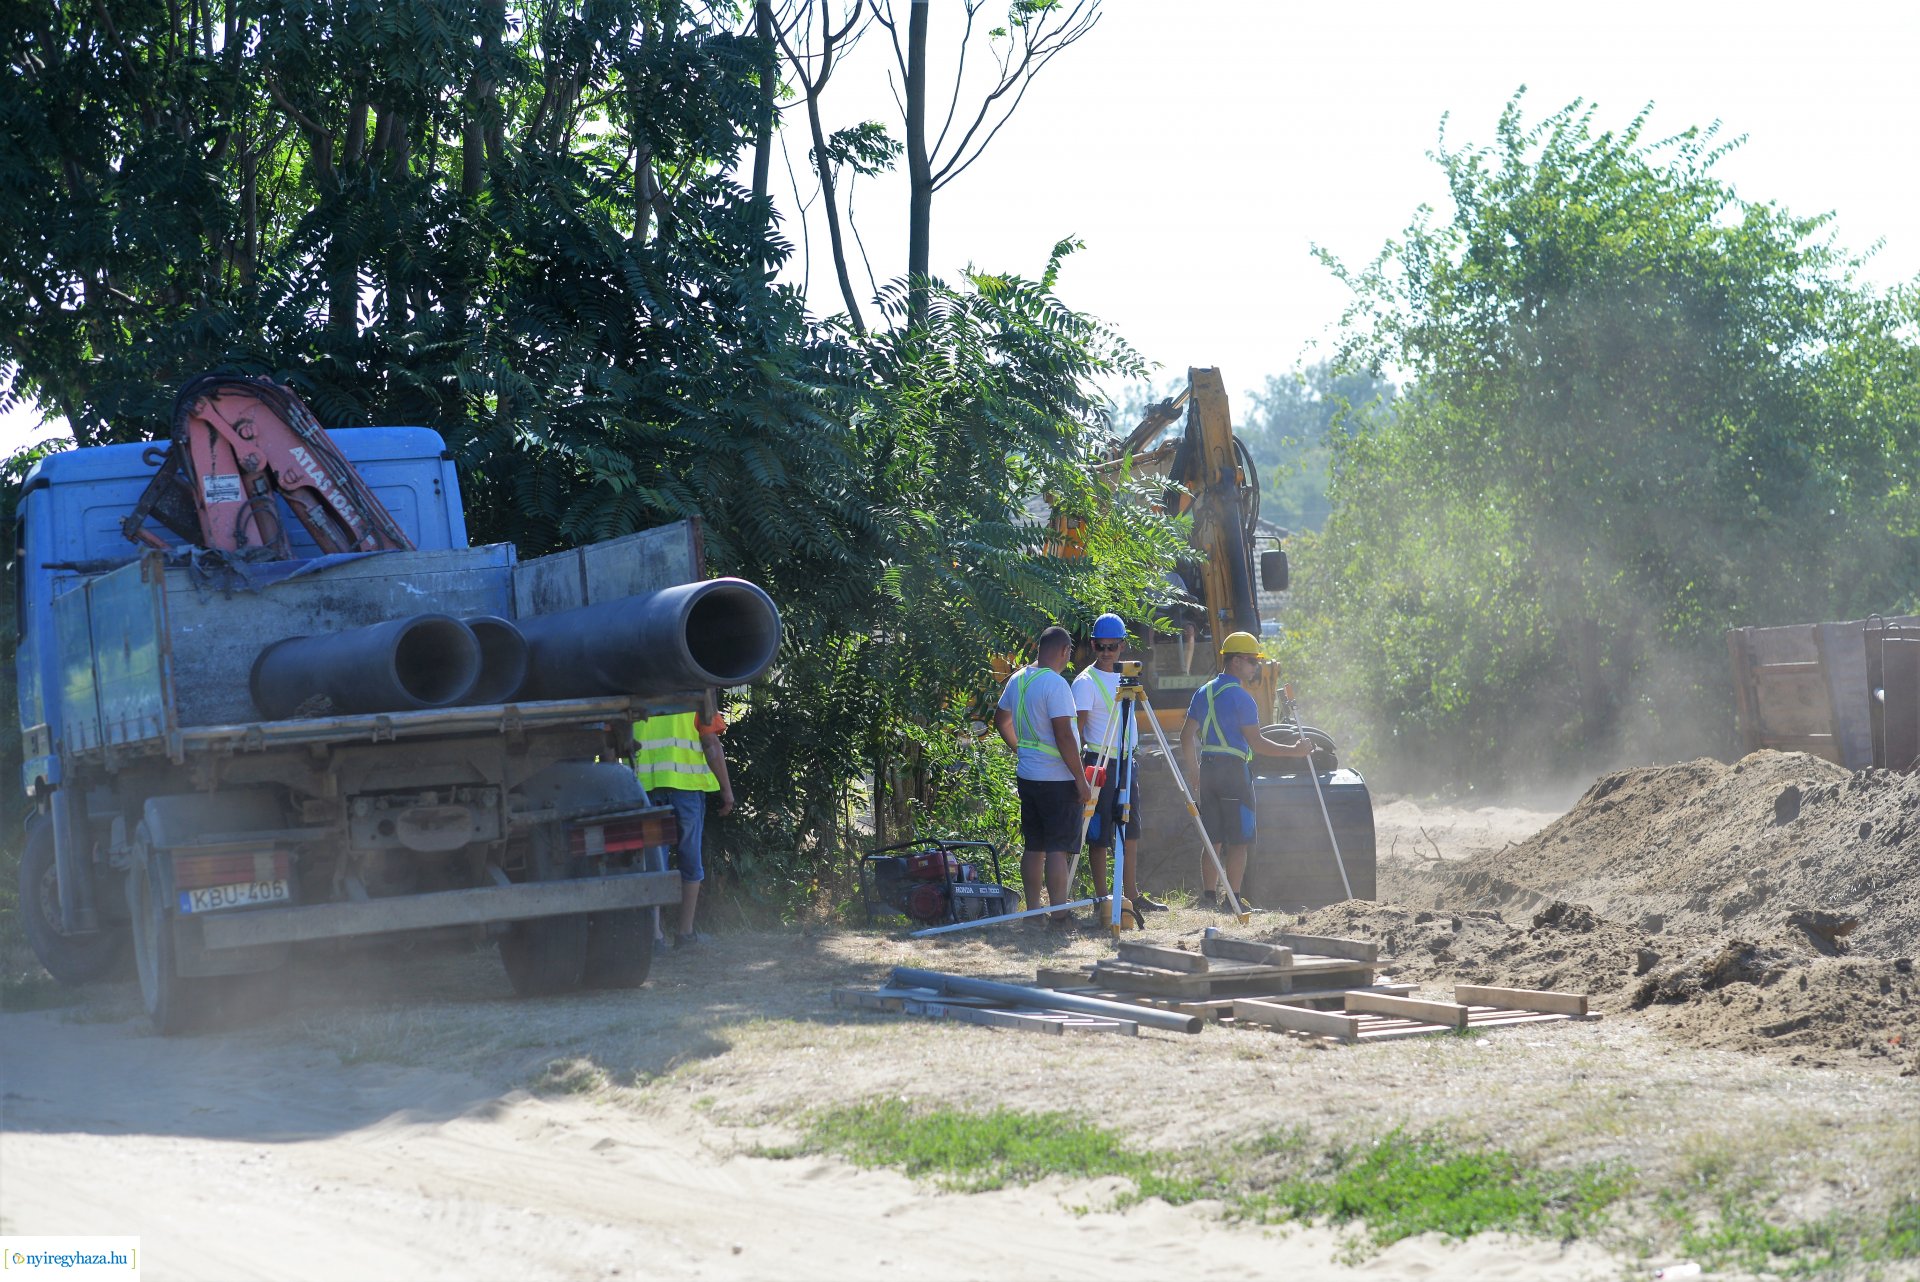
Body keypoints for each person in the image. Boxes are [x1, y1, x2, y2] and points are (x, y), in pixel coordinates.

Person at [1178, 631, 1312, 909]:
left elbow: (1185, 736)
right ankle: (1233, 900)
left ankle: (1208, 897)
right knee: (1239, 840)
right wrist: (1295, 750)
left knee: (1212, 838)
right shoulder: (1242, 698)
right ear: (1236, 661)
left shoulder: (1203, 692)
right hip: (1233, 772)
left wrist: (1194, 771)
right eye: (1252, 661)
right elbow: (1258, 743)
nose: (1256, 667)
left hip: (1208, 770)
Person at [994, 625, 1092, 925]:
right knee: (1057, 848)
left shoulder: (1018, 679)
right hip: (1057, 779)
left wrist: (1019, 749)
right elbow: (1064, 735)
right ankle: (1059, 915)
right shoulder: (1056, 684)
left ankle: (1034, 912)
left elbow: (1001, 720)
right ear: (1064, 651)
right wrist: (1080, 779)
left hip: (1028, 775)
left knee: (1034, 846)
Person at [1074, 613, 1165, 919]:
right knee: (1099, 832)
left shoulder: (1128, 677)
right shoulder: (1085, 682)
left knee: (1131, 828)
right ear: (1093, 645)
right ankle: (1103, 897)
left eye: (1111, 646)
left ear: (1122, 646)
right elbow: (1078, 729)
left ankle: (1132, 895)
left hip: (1127, 761)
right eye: (1100, 646)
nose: (1106, 652)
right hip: (1099, 762)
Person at [633, 703, 734, 950]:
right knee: (690, 858)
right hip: (687, 791)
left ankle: (655, 936)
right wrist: (726, 790)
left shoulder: (632, 691)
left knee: (654, 862)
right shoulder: (694, 692)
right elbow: (710, 743)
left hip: (646, 791)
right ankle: (685, 933)